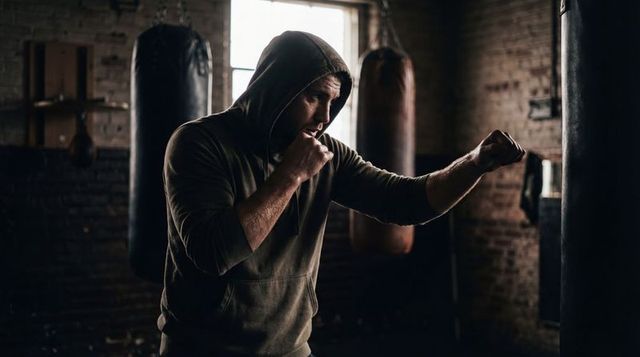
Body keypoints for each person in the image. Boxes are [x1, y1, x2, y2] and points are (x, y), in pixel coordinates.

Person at [158, 31, 525, 356]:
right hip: (203, 349)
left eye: (333, 102)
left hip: (289, 350)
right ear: (276, 87)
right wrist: (291, 175)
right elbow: (214, 252)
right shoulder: (198, 143)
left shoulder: (327, 154)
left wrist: (475, 163)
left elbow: (406, 202)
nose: (325, 116)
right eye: (315, 97)